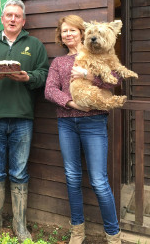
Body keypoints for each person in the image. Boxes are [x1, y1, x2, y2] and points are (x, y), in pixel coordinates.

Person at [0, 0, 49, 242]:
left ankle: (19, 224)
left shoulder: (34, 45)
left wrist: (28, 78)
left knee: (19, 171)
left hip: (23, 117)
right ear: (2, 19)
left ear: (23, 21)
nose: (13, 19)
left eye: (17, 16)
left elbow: (44, 74)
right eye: (9, 15)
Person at [45, 15, 122, 244]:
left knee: (99, 181)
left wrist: (89, 76)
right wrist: (71, 103)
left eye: (73, 30)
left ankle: (113, 234)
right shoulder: (58, 63)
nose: (68, 34)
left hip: (94, 123)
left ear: (82, 32)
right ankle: (77, 230)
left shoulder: (100, 55)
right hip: (67, 123)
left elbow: (114, 81)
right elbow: (49, 90)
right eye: (64, 31)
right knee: (72, 177)